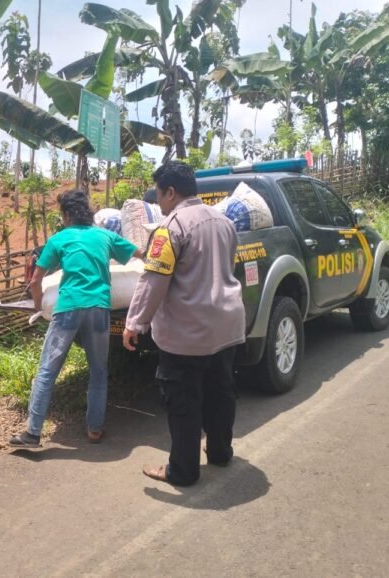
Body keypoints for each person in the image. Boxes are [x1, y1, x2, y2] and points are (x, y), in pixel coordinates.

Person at [122, 161, 245, 486]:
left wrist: (135, 322)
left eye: (159, 195)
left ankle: (182, 471)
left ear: (171, 192)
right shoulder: (224, 221)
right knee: (221, 392)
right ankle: (220, 452)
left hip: (188, 334)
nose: (159, 203)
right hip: (227, 326)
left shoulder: (170, 228)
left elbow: (154, 280)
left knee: (184, 402)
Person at [10, 189, 144, 448]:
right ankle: (94, 429)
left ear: (67, 214)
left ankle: (32, 434)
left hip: (68, 308)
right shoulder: (105, 235)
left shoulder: (59, 239)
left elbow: (36, 280)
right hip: (98, 309)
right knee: (98, 371)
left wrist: (39, 306)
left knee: (48, 371)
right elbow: (139, 253)